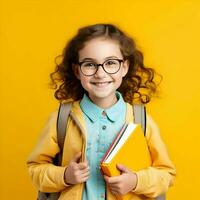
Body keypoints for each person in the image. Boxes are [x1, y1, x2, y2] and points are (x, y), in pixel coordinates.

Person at [27, 23, 176, 200]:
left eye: (111, 63)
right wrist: (65, 176)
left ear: (124, 67)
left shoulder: (141, 120)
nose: (100, 73)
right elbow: (35, 169)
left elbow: (166, 174)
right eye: (90, 64)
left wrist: (135, 181)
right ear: (77, 70)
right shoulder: (61, 119)